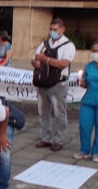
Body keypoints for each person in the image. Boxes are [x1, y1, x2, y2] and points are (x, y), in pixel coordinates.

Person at [31, 17, 76, 152]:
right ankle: (46, 137)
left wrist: (46, 59)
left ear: (62, 30)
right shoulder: (44, 43)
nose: (52, 32)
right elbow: (34, 59)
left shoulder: (68, 45)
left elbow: (64, 63)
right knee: (43, 112)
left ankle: (59, 139)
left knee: (59, 112)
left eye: (55, 30)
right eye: (51, 29)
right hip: (43, 82)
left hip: (58, 84)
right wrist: (36, 63)